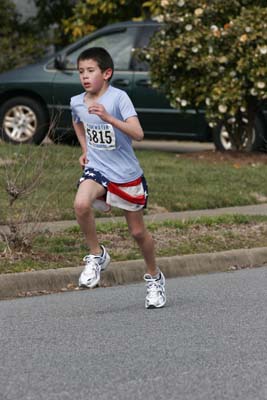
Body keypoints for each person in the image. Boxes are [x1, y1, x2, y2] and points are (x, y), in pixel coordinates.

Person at [70, 47, 166, 309]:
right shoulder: (77, 101)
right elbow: (78, 122)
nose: (85, 77)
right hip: (98, 169)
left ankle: (154, 278)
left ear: (107, 73)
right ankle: (96, 254)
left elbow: (138, 133)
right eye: (81, 72)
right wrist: (86, 151)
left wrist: (108, 118)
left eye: (91, 71)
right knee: (80, 204)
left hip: (125, 175)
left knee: (137, 232)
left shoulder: (118, 98)